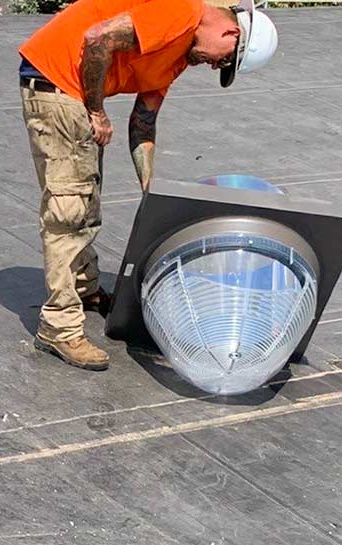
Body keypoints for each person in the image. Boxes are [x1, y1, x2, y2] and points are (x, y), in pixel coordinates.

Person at [18, 0, 278, 371]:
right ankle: (58, 327)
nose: (213, 66)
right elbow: (96, 38)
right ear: (231, 33)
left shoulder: (177, 59)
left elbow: (143, 124)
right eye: (223, 61)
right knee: (69, 209)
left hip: (73, 93)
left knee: (86, 196)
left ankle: (84, 288)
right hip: (55, 85)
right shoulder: (181, 12)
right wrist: (96, 111)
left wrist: (150, 191)